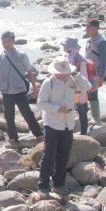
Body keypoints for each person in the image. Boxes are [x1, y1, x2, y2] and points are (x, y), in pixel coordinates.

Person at [36, 56, 92, 196]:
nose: (63, 75)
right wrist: (57, 109)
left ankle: (59, 184)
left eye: (65, 71)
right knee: (49, 155)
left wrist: (76, 74)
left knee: (64, 156)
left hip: (68, 124)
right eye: (61, 72)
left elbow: (88, 87)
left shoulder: (72, 80)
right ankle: (43, 185)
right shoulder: (48, 82)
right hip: (52, 124)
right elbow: (41, 103)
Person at [61, 37, 92, 135]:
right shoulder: (68, 57)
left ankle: (83, 134)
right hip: (70, 91)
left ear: (70, 47)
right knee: (69, 113)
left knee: (82, 113)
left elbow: (84, 80)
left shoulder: (80, 61)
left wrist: (82, 98)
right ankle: (67, 133)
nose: (63, 47)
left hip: (80, 93)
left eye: (64, 45)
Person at [84, 19, 106, 127]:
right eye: (86, 27)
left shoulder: (101, 42)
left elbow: (104, 61)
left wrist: (101, 77)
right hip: (87, 71)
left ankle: (96, 119)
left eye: (88, 27)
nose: (86, 29)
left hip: (96, 73)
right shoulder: (90, 40)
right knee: (85, 93)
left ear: (95, 28)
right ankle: (86, 114)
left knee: (93, 94)